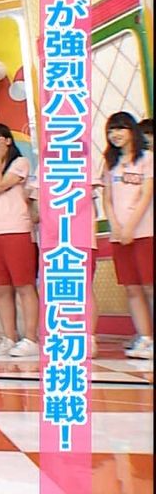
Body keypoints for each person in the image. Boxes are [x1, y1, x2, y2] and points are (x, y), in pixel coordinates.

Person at [0, 123, 38, 357]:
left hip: (16, 230)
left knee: (24, 285)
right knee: (1, 288)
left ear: (8, 141)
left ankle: (31, 338)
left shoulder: (20, 163)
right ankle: (9, 337)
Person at [97, 112, 154, 360]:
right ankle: (145, 337)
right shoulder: (110, 163)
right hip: (119, 236)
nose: (115, 134)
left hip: (144, 232)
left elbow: (146, 196)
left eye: (120, 128)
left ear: (132, 131)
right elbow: (107, 199)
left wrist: (130, 226)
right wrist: (116, 226)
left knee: (149, 286)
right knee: (132, 288)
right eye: (111, 130)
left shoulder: (147, 159)